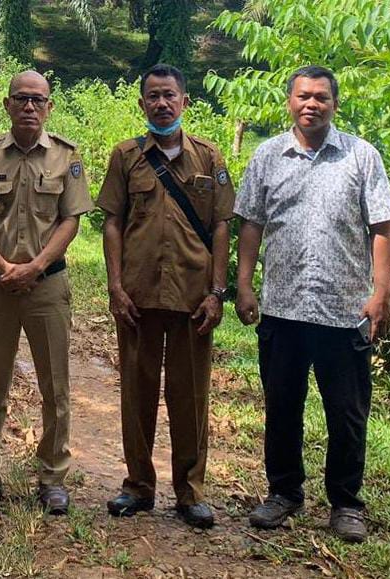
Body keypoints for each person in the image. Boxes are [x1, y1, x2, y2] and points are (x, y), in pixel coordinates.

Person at [234, 65, 390, 542]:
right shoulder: (267, 156)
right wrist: (244, 286)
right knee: (282, 405)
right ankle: (284, 493)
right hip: (282, 308)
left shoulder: (361, 157)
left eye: (321, 97)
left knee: (346, 412)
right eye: (304, 96)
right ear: (289, 101)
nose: (312, 104)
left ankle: (346, 503)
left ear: (334, 104)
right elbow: (251, 225)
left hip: (344, 310)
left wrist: (380, 294)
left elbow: (382, 228)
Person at [0, 70, 92, 515]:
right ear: (7, 105)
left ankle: (53, 477)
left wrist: (36, 265)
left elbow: (71, 220)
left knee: (56, 386)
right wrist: (4, 266)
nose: (29, 106)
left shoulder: (66, 156)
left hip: (48, 286)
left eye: (38, 100)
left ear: (49, 107)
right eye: (21, 98)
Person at [96, 64, 234, 529]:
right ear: (141, 104)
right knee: (137, 394)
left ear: (184, 101)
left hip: (194, 299)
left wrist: (218, 292)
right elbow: (112, 221)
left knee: (190, 397)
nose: (161, 103)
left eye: (169, 95)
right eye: (152, 96)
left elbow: (221, 226)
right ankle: (137, 486)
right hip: (137, 295)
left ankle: (190, 491)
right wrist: (115, 286)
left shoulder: (209, 159)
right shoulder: (125, 156)